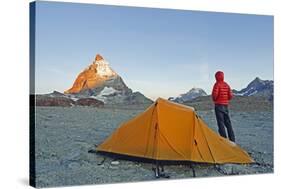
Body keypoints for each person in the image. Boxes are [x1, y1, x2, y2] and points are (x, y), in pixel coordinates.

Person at [212, 71, 235, 142]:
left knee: (220, 123)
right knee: (228, 123)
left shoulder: (217, 84)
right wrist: (225, 100)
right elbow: (231, 96)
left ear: (216, 77)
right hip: (225, 106)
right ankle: (232, 140)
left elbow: (214, 96)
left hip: (218, 106)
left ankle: (224, 141)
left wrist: (216, 99)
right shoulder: (226, 85)